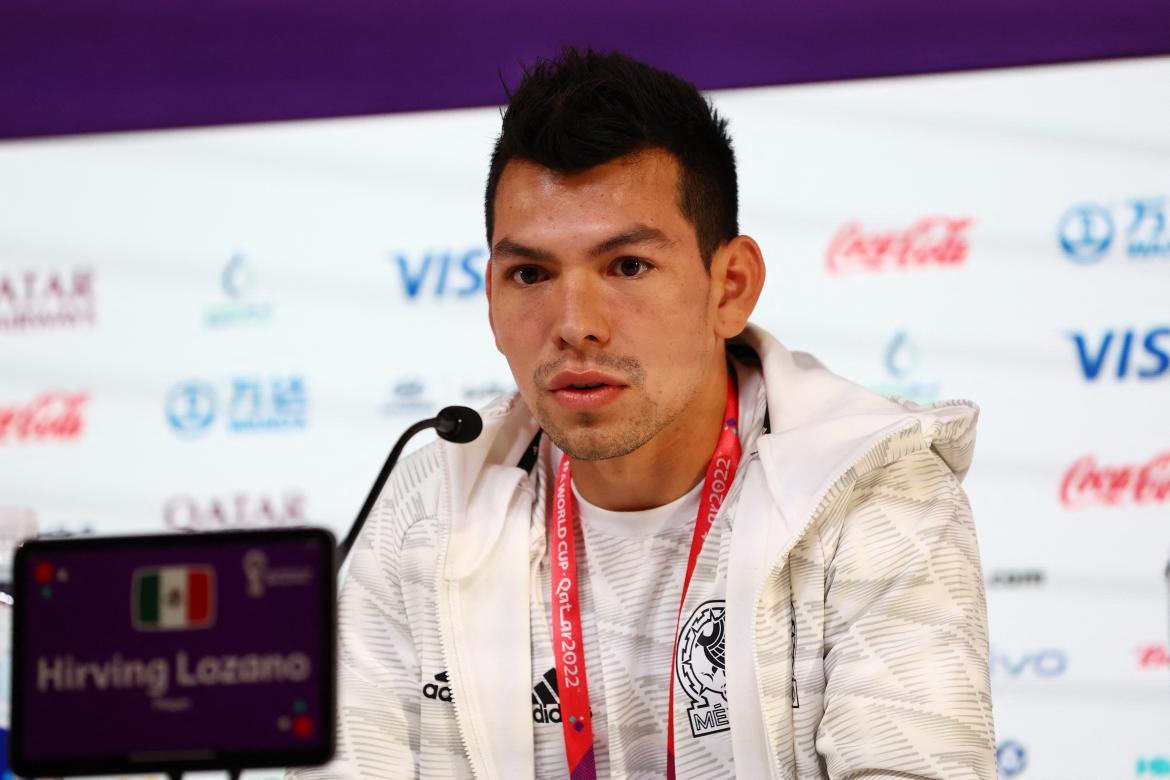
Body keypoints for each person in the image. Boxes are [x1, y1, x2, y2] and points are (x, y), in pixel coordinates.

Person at [292, 47, 996, 779]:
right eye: (530, 274)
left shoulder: (874, 492)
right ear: (492, 304)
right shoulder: (424, 511)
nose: (575, 324)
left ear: (730, 287)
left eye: (627, 267)